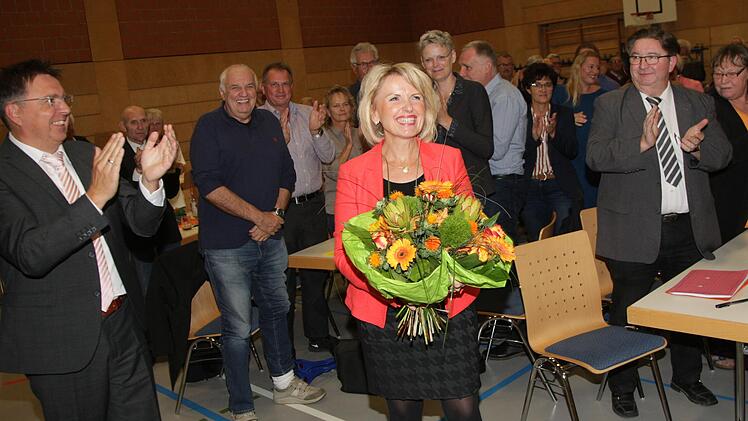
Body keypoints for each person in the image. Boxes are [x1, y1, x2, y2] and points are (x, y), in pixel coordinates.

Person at [0, 58, 178, 420]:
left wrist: (150, 181)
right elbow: (30, 253)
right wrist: (94, 198)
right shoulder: (5, 174)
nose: (64, 109)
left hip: (123, 324)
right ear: (14, 112)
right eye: (50, 101)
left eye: (64, 99)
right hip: (62, 341)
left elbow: (141, 224)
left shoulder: (85, 154)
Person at [587, 27, 732, 418]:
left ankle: (687, 377)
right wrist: (640, 144)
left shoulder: (697, 102)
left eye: (652, 57)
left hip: (688, 228)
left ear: (672, 62)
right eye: (636, 57)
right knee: (627, 313)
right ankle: (622, 384)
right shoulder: (610, 104)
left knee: (685, 311)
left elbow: (723, 154)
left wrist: (697, 149)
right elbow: (595, 157)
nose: (642, 65)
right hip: (632, 229)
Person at [334, 62, 482, 421]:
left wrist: (460, 272)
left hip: (450, 307)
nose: (408, 107)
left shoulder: (449, 158)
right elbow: (344, 252)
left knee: (463, 408)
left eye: (416, 97)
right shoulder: (354, 172)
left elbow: (472, 229)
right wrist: (395, 290)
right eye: (395, 98)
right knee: (402, 410)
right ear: (374, 112)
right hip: (385, 313)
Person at [190, 63, 325, 421]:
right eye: (235, 88)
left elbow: (286, 173)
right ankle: (241, 404)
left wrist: (275, 215)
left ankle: (284, 383)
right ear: (222, 92)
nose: (243, 94)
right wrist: (259, 218)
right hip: (227, 247)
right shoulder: (208, 127)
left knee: (277, 310)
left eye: (249, 86)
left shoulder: (267, 122)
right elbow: (209, 185)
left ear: (258, 91)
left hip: (271, 238)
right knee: (237, 326)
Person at [258, 62, 338, 353]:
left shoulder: (307, 114)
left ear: (292, 86)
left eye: (285, 84)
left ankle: (318, 335)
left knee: (315, 276)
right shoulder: (256, 120)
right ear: (263, 89)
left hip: (312, 207)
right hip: (279, 211)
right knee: (283, 280)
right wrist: (278, 143)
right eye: (274, 84)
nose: (280, 90)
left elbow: (329, 156)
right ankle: (284, 345)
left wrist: (317, 132)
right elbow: (258, 169)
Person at [706, 42, 748, 371]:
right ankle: (722, 345)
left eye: (732, 73)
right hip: (726, 207)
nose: (724, 80)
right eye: (719, 73)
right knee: (727, 282)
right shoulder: (710, 109)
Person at [459, 40, 527, 241]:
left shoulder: (504, 96)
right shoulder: (483, 96)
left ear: (487, 67)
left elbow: (495, 150)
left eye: (467, 67)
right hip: (493, 182)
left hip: (503, 183)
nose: (462, 73)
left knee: (499, 248)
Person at [419, 31, 494, 204]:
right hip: (433, 189)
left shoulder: (473, 91)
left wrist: (447, 121)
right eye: (429, 60)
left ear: (452, 56)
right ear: (422, 63)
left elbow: (486, 148)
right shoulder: (419, 96)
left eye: (441, 57)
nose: (435, 64)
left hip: (472, 188)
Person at [119, 105, 183, 294]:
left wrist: (171, 166)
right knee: (148, 291)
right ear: (123, 126)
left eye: (143, 121)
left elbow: (171, 192)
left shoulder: (160, 147)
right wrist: (140, 171)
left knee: (177, 285)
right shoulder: (117, 153)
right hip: (138, 239)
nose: (140, 127)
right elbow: (121, 197)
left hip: (167, 232)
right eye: (134, 122)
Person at [519, 62, 581, 241]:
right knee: (537, 239)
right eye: (537, 85)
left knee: (564, 237)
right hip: (530, 187)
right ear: (528, 89)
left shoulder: (564, 114)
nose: (543, 89)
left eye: (547, 84)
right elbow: (517, 154)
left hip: (558, 185)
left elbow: (572, 151)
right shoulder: (521, 116)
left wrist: (554, 134)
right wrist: (533, 138)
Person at [566, 50, 607, 208]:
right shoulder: (563, 96)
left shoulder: (605, 97)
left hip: (597, 163)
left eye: (597, 67)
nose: (595, 71)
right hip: (572, 165)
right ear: (578, 67)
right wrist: (568, 120)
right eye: (591, 67)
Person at [321, 85, 363, 235]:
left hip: (361, 203)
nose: (342, 109)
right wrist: (348, 145)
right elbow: (334, 172)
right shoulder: (324, 137)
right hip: (336, 206)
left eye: (345, 104)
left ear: (351, 107)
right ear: (328, 111)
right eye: (336, 106)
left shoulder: (359, 133)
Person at [147, 107, 187, 211]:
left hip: (175, 194)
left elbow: (181, 165)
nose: (155, 127)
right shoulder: (144, 146)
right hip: (155, 196)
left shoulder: (171, 142)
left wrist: (174, 166)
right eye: (151, 124)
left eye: (158, 124)